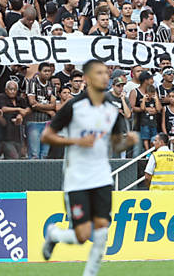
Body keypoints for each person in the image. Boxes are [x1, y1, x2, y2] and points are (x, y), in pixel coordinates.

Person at [40, 60, 134, 276]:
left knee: (101, 232)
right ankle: (54, 234)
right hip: (77, 177)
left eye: (106, 73)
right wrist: (76, 141)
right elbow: (47, 136)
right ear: (87, 78)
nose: (105, 77)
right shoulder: (74, 106)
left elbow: (115, 144)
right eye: (99, 73)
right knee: (81, 236)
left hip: (102, 176)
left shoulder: (111, 109)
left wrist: (127, 142)